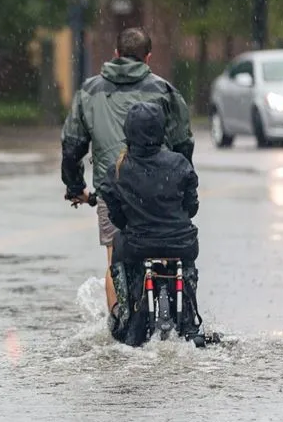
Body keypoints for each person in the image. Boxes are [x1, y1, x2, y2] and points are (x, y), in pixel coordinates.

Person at [61, 27, 195, 312]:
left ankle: (117, 325)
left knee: (115, 260)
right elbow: (183, 143)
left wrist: (75, 187)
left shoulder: (89, 90)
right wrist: (181, 183)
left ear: (116, 55)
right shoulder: (164, 90)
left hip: (113, 192)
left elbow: (72, 146)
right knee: (173, 253)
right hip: (162, 189)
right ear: (148, 58)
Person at [99, 101, 200, 343]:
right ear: (161, 130)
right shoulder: (180, 164)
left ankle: (124, 312)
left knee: (118, 243)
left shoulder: (118, 171)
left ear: (128, 132)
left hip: (138, 246)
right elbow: (192, 207)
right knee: (186, 266)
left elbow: (117, 216)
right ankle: (189, 305)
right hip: (181, 245)